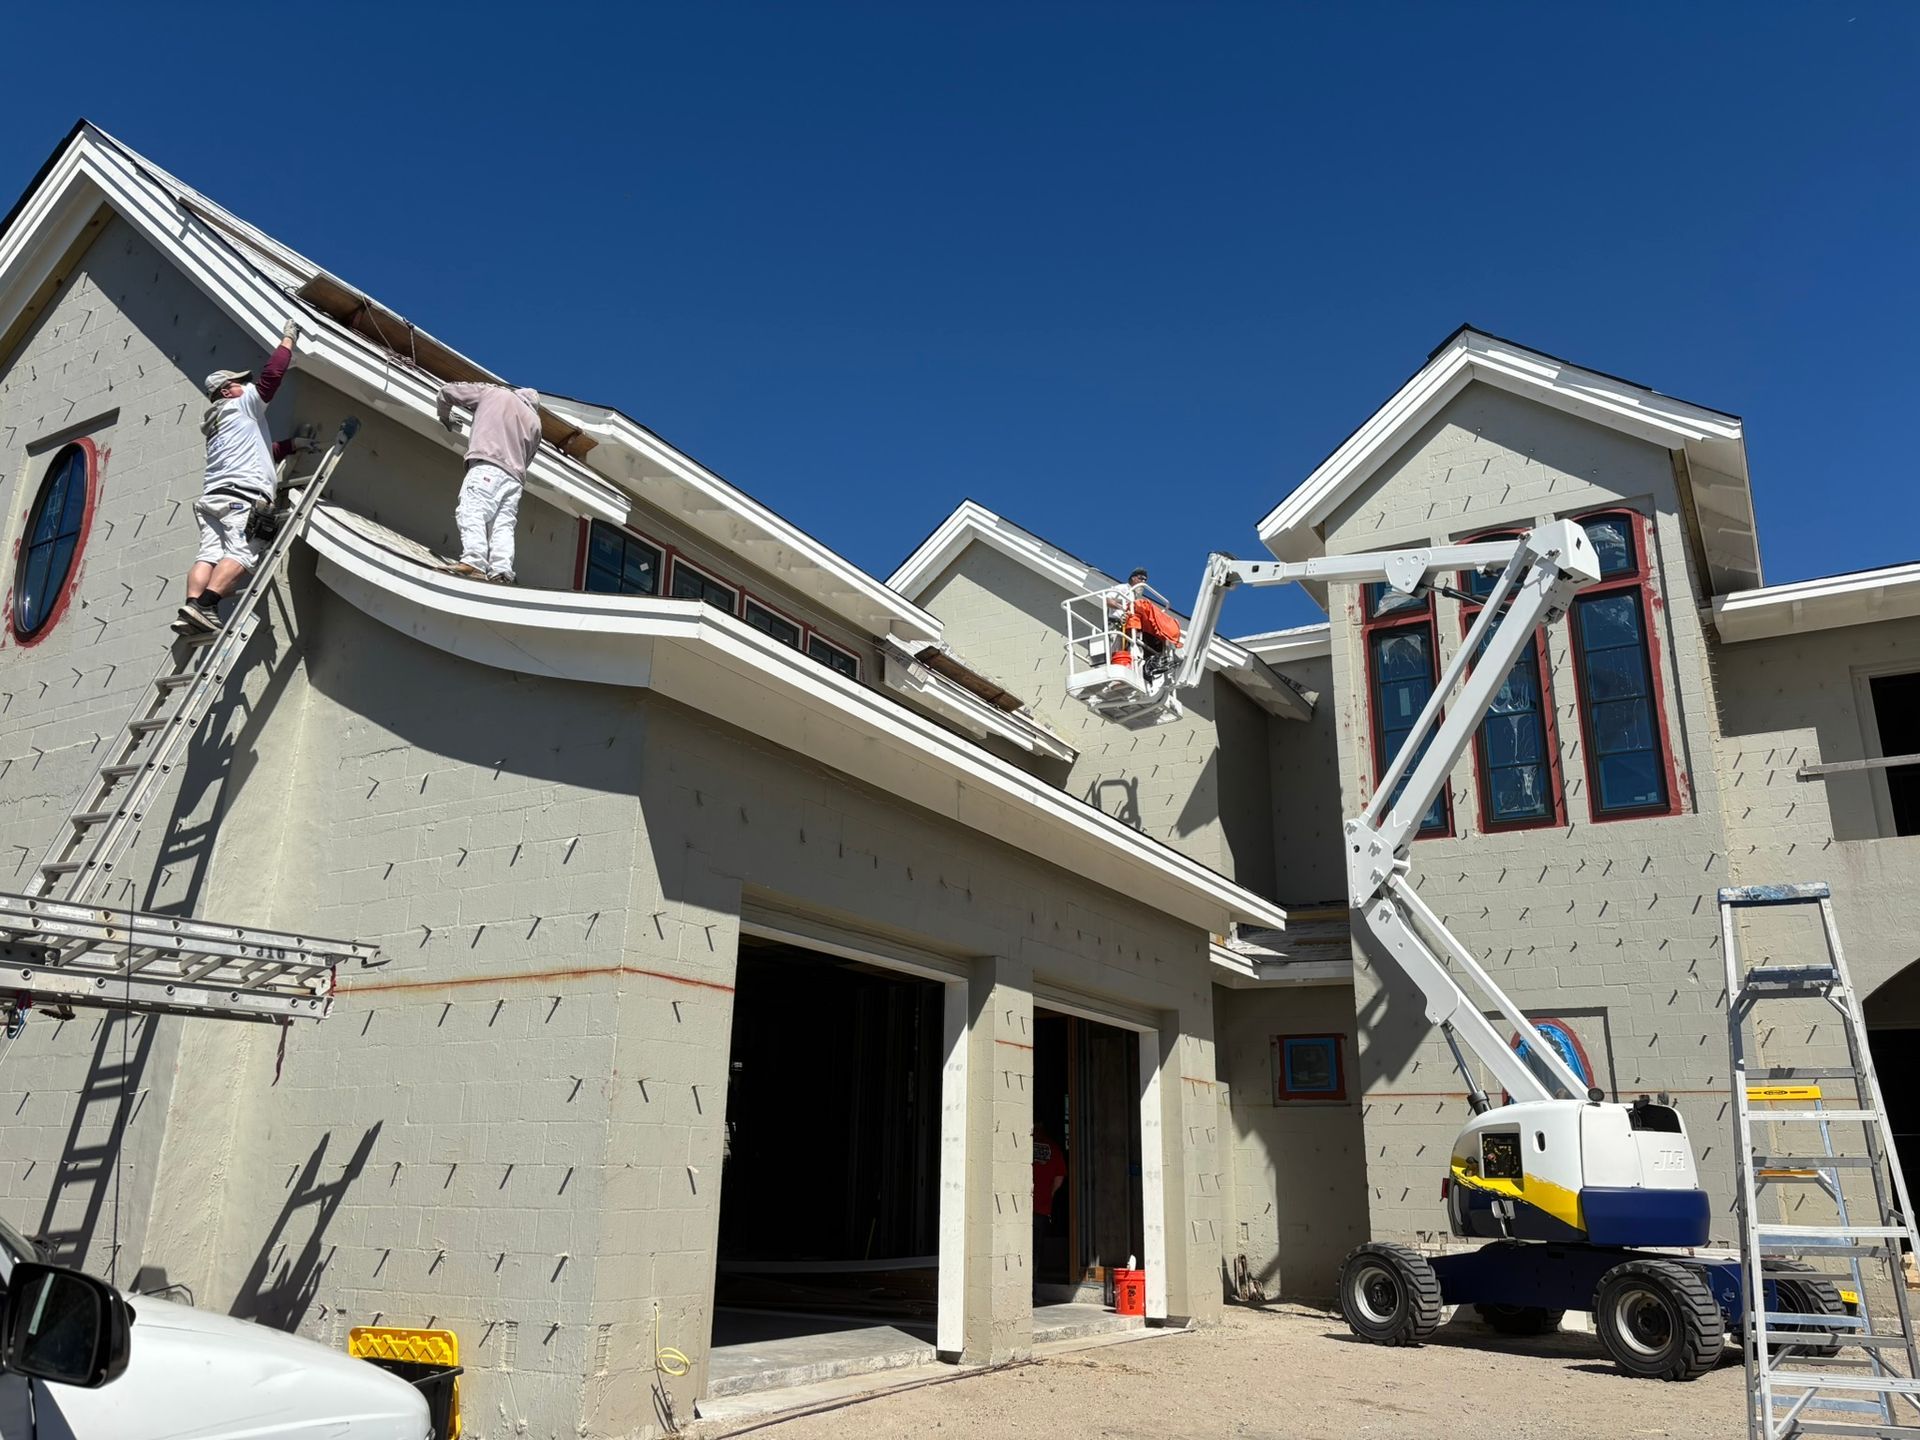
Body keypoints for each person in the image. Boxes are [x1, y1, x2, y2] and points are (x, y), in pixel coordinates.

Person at [176, 317, 318, 633]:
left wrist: (293, 445)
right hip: (241, 498)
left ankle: (191, 604)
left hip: (214, 498)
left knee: (209, 555)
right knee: (245, 550)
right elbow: (272, 376)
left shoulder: (216, 423)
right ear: (227, 390)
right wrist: (288, 339)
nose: (247, 385)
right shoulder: (241, 404)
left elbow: (259, 453)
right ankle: (206, 606)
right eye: (241, 382)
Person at [435, 381, 542, 583]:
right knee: (503, 525)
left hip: (489, 466)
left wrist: (445, 416)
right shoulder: (536, 423)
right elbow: (528, 458)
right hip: (514, 480)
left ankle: (473, 562)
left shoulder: (494, 393)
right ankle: (501, 571)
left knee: (472, 509)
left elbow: (447, 391)